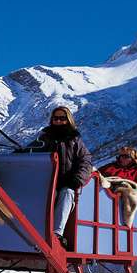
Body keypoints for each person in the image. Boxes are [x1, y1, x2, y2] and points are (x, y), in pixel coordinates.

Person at [25, 106, 93, 248]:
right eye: (55, 118)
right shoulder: (44, 138)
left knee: (66, 193)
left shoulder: (75, 140)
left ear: (68, 120)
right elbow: (27, 151)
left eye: (62, 118)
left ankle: (56, 234)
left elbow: (85, 161)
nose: (58, 121)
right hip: (46, 182)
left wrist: (77, 179)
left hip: (66, 182)